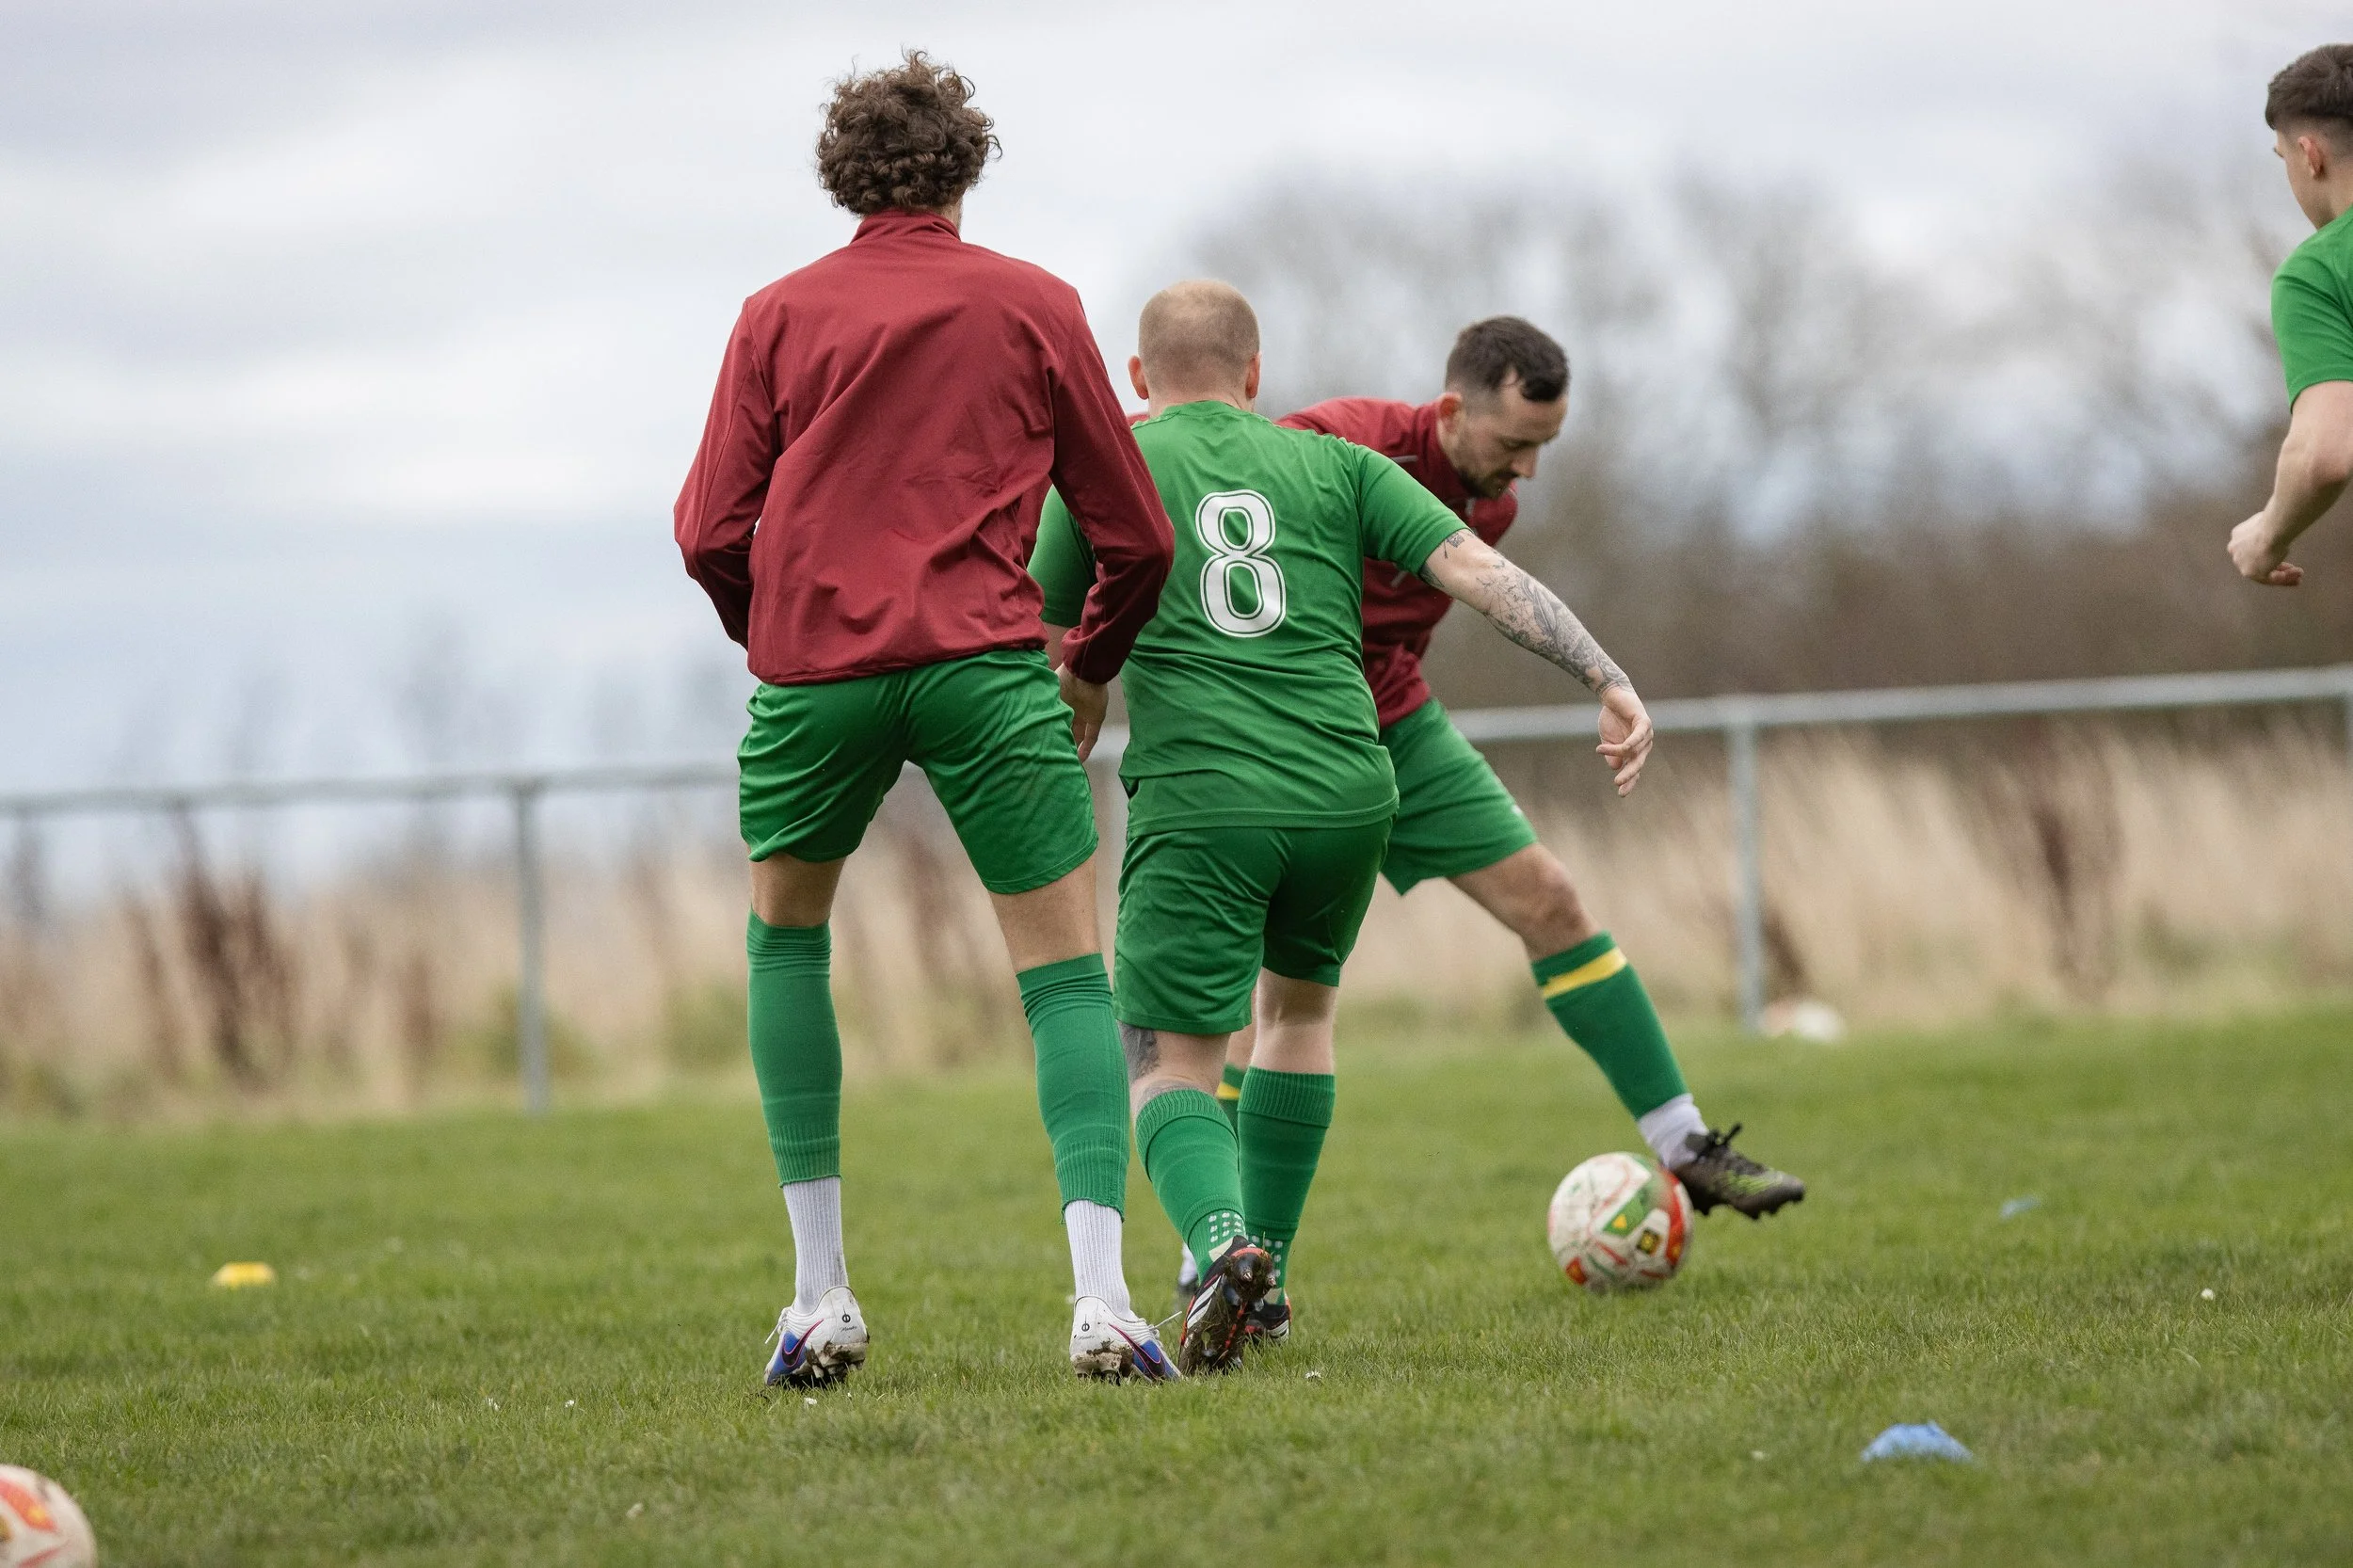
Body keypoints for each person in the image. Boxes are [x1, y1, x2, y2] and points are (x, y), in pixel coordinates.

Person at [1032, 280, 1658, 1370]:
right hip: (1350, 787)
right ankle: (1266, 1282)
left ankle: (1223, 1246)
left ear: (1137, 380)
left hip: (1207, 796)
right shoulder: (1337, 464)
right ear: (1257, 373)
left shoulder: (1108, 468)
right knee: (1298, 1020)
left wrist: (1070, 706)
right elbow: (1481, 572)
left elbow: (1053, 653)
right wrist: (1606, 677)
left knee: (1170, 1060)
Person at [674, 52, 1177, 1387]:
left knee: (785, 946)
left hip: (814, 675)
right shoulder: (1034, 304)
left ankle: (819, 1296)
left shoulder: (777, 314)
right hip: (986, 665)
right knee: (1067, 974)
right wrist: (1091, 666)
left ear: (844, 176)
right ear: (965, 167)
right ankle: (1101, 1304)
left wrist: (781, 635)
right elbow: (1136, 535)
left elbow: (707, 530)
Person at [1172, 317, 1809, 1326]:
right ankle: (1220, 1254)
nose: (1527, 472)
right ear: (1452, 406)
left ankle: (1684, 1143)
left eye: (1544, 449)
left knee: (1550, 898)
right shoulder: (1333, 439)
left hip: (1400, 724)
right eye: (1515, 444)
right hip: (1283, 739)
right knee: (1252, 1010)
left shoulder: (1493, 502)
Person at [2230, 43, 2353, 586]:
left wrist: (2265, 537)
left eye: (2285, 163)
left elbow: (2324, 452)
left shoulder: (2319, 272)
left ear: (2309, 154)